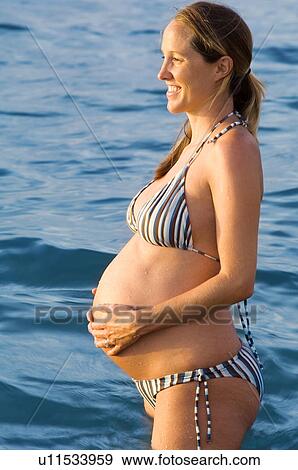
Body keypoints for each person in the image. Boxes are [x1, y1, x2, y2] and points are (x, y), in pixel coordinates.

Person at [86, 1, 266, 450]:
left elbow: (238, 279)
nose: (162, 73)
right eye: (162, 57)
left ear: (221, 67)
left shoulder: (232, 148)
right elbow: (174, 255)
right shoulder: (194, 144)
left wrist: (141, 322)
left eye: (177, 60)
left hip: (201, 382)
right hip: (169, 383)